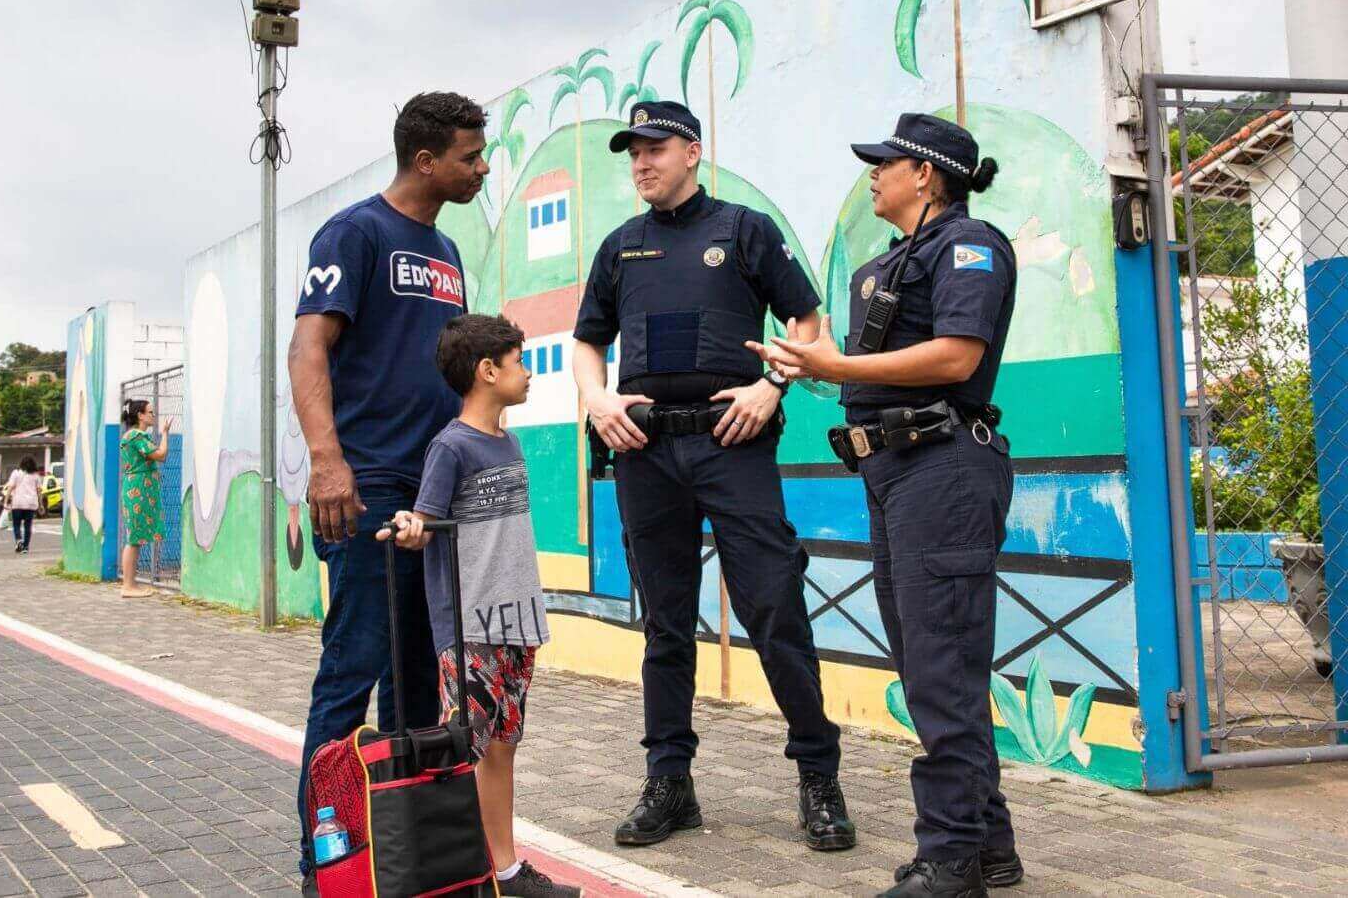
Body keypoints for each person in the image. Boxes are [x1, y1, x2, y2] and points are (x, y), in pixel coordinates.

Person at [571, 100, 854, 852]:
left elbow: (807, 324)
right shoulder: (619, 246)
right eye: (633, 151)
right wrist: (597, 400)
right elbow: (586, 343)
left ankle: (818, 777)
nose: (641, 161)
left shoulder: (743, 230)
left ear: (692, 152)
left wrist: (772, 390)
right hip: (644, 452)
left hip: (734, 443)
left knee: (774, 612)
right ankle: (671, 784)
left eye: (655, 148)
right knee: (665, 625)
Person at [749, 113, 1020, 898]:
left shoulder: (971, 246)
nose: (873, 174)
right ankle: (988, 845)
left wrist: (831, 359)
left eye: (886, 164)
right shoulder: (885, 265)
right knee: (932, 665)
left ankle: (950, 859)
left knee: (940, 667)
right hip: (892, 471)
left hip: (944, 468)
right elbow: (868, 373)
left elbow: (956, 355)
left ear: (926, 175)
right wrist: (811, 367)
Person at [287, 91, 487, 890]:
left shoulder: (446, 252)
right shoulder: (355, 231)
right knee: (353, 670)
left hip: (433, 491)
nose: (481, 168)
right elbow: (309, 348)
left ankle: (403, 858)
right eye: (471, 155)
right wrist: (326, 458)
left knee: (418, 680)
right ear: (426, 159)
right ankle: (323, 859)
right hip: (366, 483)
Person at [379, 315, 579, 898]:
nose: (527, 373)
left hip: (517, 624)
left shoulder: (509, 442)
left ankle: (505, 869)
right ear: (488, 371)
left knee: (502, 747)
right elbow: (424, 518)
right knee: (460, 752)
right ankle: (453, 871)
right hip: (471, 627)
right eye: (519, 362)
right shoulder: (451, 447)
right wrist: (412, 528)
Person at [120, 400, 171, 595]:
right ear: (140, 415)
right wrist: (165, 433)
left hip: (139, 487)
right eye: (150, 412)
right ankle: (128, 585)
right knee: (133, 538)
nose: (153, 415)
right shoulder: (136, 436)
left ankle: (130, 583)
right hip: (139, 489)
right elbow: (161, 454)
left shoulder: (134, 436)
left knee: (136, 537)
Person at [5, 455, 42, 554]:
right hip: (30, 504)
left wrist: (6, 501)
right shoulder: (36, 476)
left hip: (18, 503)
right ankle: (25, 547)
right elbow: (39, 492)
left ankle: (18, 540)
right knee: (27, 526)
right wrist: (41, 505)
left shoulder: (16, 473)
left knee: (16, 524)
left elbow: (10, 488)